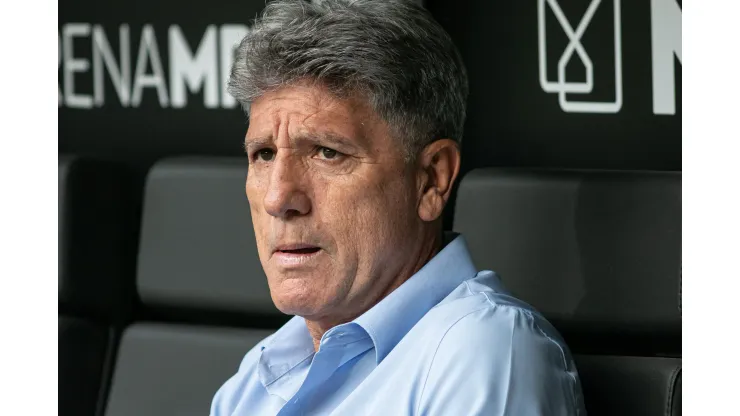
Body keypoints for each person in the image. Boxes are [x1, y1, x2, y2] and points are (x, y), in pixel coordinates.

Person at [211, 0, 585, 414]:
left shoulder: (485, 353)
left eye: (327, 152)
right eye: (263, 154)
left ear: (430, 180)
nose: (278, 198)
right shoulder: (253, 381)